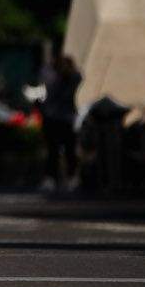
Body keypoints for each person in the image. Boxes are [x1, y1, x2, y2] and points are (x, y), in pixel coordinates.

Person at [43, 53, 81, 193]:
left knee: (70, 150)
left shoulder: (73, 77)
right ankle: (52, 178)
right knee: (52, 150)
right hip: (53, 117)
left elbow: (78, 77)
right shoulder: (52, 76)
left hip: (66, 118)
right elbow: (48, 81)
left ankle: (71, 177)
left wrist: (67, 71)